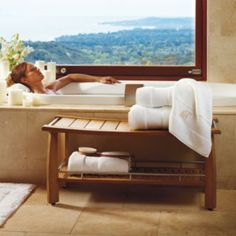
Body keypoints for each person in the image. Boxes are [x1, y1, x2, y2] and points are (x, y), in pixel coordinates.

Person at [7, 62, 120, 94]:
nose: (38, 70)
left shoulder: (50, 89)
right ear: (24, 80)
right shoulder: (29, 95)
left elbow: (71, 77)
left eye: (36, 67)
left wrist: (98, 79)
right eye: (33, 70)